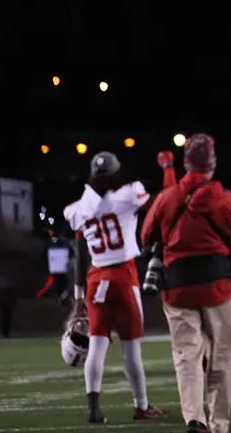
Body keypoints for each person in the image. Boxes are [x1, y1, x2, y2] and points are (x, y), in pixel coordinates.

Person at [141, 134, 231, 433]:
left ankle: (195, 418)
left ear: (186, 164)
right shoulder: (225, 199)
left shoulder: (167, 197)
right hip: (218, 288)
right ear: (213, 164)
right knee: (220, 357)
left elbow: (146, 235)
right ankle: (219, 424)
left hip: (177, 288)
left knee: (186, 356)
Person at [64, 151, 168, 424]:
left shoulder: (77, 209)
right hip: (123, 275)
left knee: (97, 346)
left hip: (96, 278)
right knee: (131, 350)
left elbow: (78, 250)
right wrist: (168, 169)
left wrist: (77, 296)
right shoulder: (127, 195)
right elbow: (164, 202)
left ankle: (94, 408)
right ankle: (141, 405)